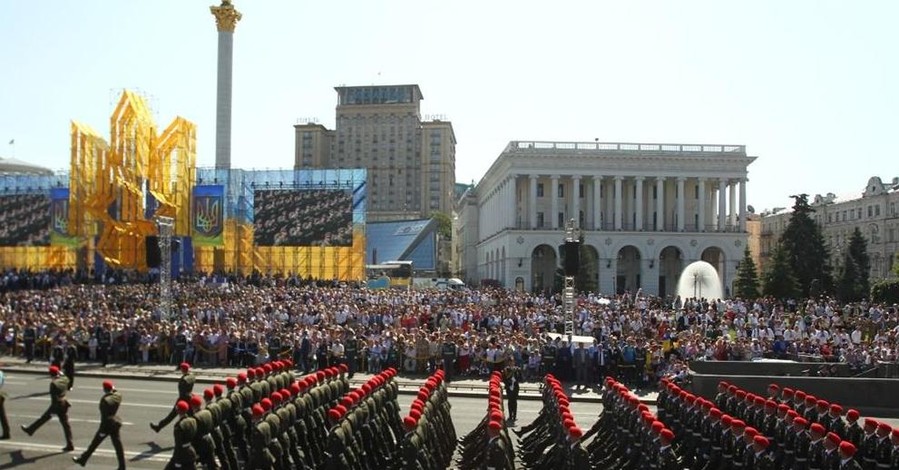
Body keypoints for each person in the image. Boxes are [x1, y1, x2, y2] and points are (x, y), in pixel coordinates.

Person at [72, 380, 125, 469]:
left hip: (107, 425)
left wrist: (102, 431)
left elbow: (104, 417)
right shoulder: (118, 395)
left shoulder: (104, 401)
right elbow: (115, 391)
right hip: (115, 423)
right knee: (118, 446)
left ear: (104, 389)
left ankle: (83, 460)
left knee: (94, 444)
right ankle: (122, 466)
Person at [20, 365, 73, 452]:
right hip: (65, 403)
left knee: (44, 418)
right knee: (66, 425)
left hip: (57, 405)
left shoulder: (53, 384)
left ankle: (30, 430)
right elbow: (64, 376)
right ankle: (70, 444)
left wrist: (53, 411)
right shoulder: (64, 379)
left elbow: (54, 399)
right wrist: (59, 373)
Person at [151, 362, 196, 433]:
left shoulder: (183, 380)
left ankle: (159, 427)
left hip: (183, 399)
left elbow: (182, 391)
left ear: (183, 369)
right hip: (189, 398)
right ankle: (159, 427)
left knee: (172, 415)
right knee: (192, 416)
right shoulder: (192, 376)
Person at [0, 370, 9, 440]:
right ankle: (6, 432)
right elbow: (2, 382)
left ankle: (6, 433)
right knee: (2, 415)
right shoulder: (1, 373)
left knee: (2, 415)